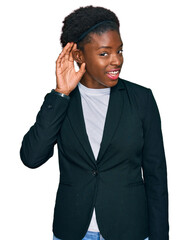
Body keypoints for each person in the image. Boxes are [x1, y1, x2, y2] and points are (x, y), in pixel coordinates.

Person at [20, 5, 169, 240]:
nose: (116, 61)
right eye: (104, 53)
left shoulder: (141, 99)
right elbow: (31, 158)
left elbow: (156, 175)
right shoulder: (62, 103)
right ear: (79, 56)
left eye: (119, 51)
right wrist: (60, 94)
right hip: (74, 231)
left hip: (129, 230)